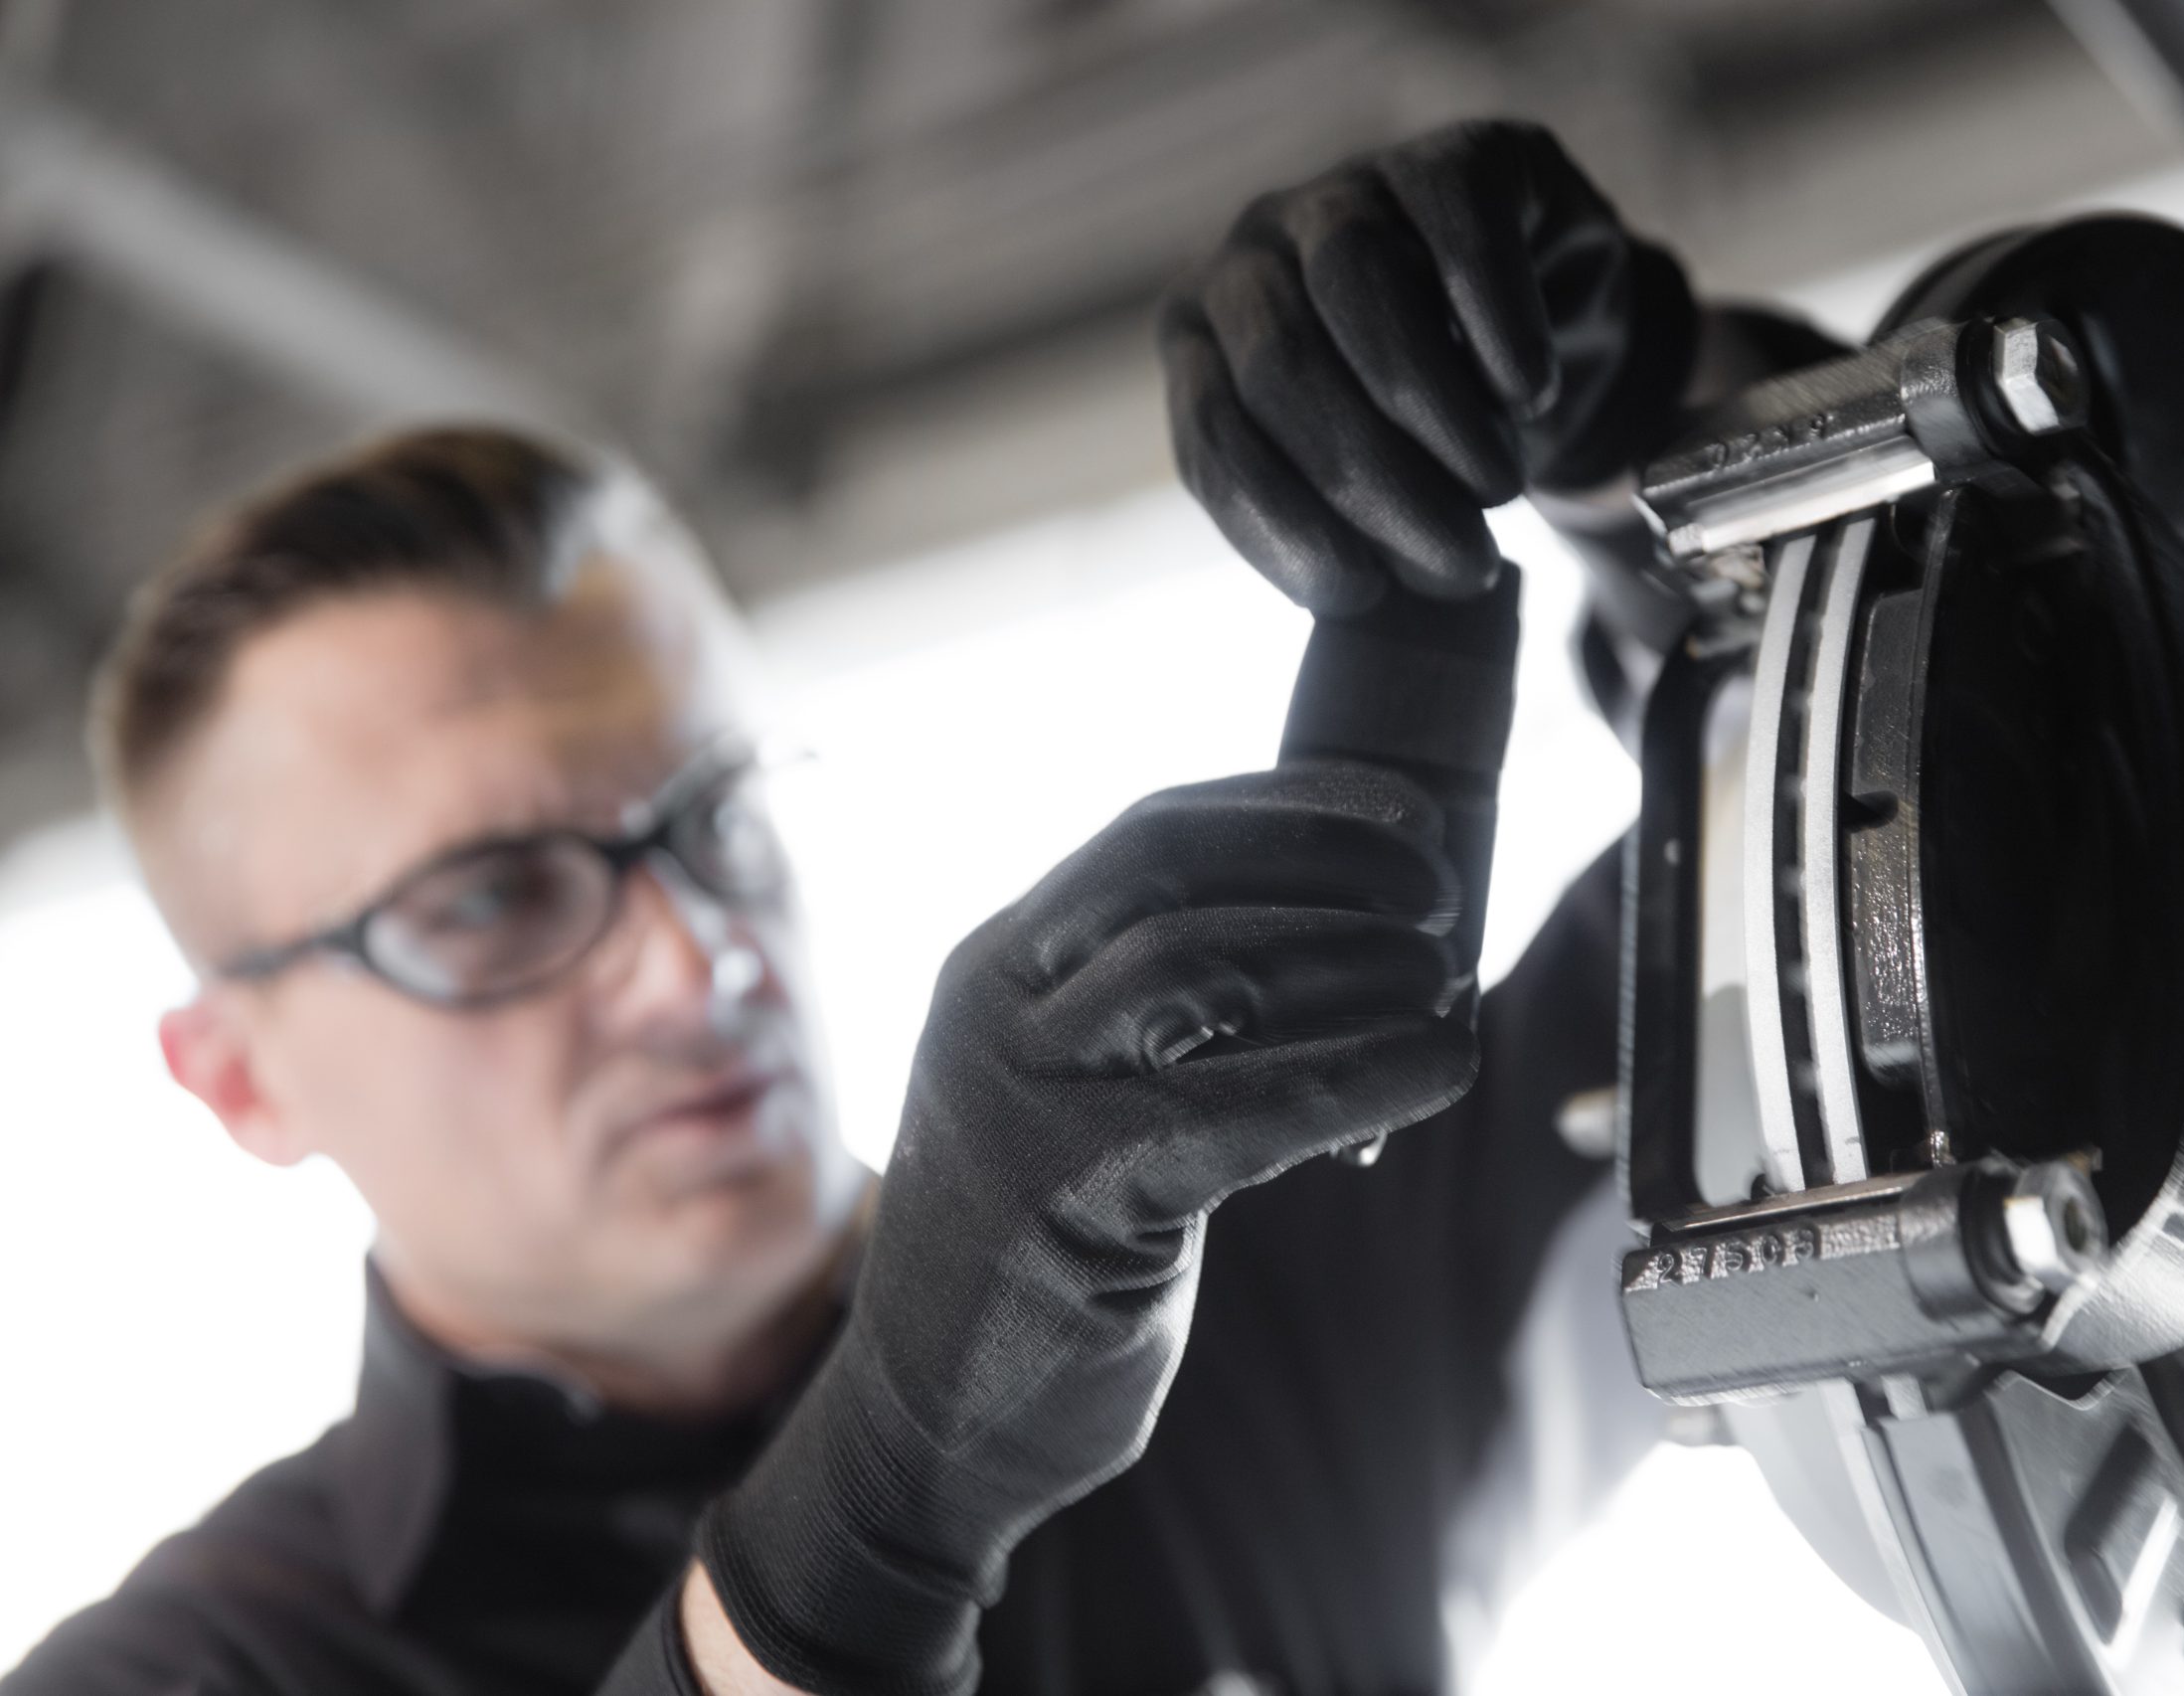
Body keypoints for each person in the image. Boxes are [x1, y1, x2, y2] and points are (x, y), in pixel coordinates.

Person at [7, 118, 1807, 1696]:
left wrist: (1645, 417)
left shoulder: (1279, 1303)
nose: (688, 960)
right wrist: (883, 1490)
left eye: (715, 818)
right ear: (238, 1077)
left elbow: (1827, 918)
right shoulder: (197, 1670)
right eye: (490, 901)